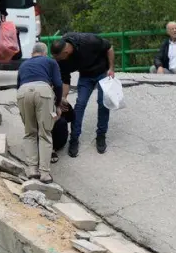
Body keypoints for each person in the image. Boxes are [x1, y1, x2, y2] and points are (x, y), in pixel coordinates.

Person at [53, 32, 115, 157]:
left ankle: (101, 135)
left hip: (102, 72)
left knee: (103, 103)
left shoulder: (89, 41)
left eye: (58, 58)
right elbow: (65, 80)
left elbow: (109, 48)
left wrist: (111, 68)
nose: (57, 60)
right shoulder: (61, 60)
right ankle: (74, 138)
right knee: (80, 105)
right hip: (85, 76)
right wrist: (63, 98)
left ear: (66, 52)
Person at [14, 42, 62, 182]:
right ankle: (44, 173)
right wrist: (57, 104)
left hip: (23, 93)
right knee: (45, 133)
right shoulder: (50, 61)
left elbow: (18, 86)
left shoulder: (23, 64)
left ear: (32, 53)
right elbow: (58, 84)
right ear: (45, 53)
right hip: (43, 91)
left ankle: (32, 170)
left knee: (30, 133)